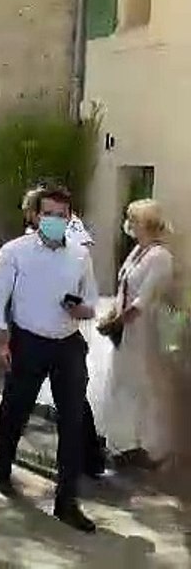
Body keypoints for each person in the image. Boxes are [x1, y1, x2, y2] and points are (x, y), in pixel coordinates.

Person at [0, 184, 99, 532]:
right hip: (27, 341)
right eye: (48, 214)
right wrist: (1, 341)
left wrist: (81, 309)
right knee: (15, 409)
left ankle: (67, 501)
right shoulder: (14, 251)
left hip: (67, 344)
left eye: (62, 216)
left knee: (73, 421)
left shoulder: (79, 255)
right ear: (34, 215)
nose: (54, 221)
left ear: (70, 218)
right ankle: (2, 469)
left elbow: (91, 300)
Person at [99, 199, 174, 470]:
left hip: (143, 330)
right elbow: (123, 288)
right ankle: (121, 444)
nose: (129, 225)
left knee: (141, 388)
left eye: (134, 220)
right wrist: (112, 315)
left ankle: (146, 448)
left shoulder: (160, 257)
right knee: (121, 385)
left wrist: (120, 320)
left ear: (147, 224)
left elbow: (145, 298)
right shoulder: (136, 252)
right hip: (125, 331)